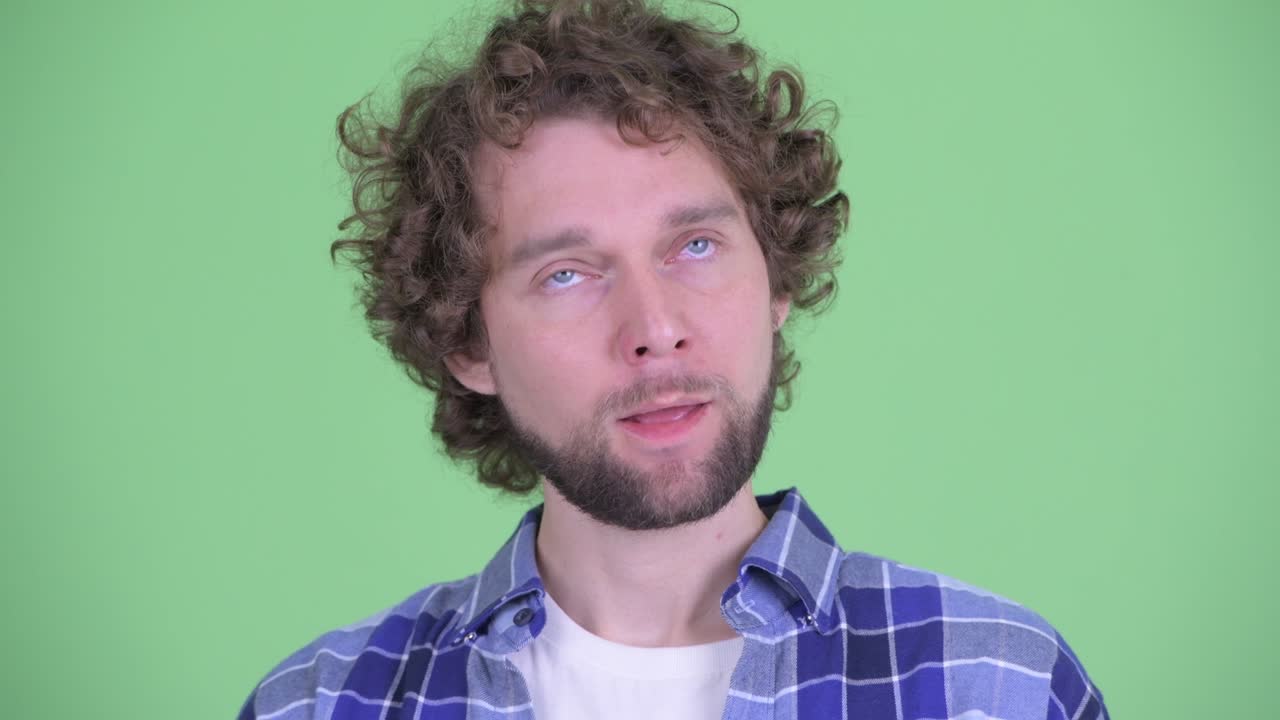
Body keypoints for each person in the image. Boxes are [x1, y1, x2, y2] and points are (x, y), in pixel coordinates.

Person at [239, 0, 1109, 718]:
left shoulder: (997, 688)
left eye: (695, 246)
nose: (655, 328)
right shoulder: (319, 704)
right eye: (568, 273)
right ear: (468, 343)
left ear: (776, 280)